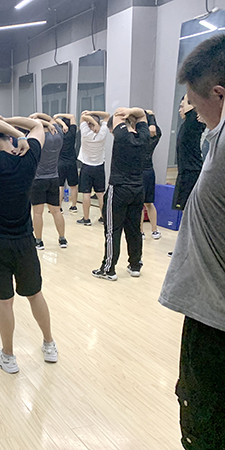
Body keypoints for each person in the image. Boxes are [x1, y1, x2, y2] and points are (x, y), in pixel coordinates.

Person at [159, 34, 225, 450]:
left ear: (219, 95)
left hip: (216, 328)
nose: (193, 113)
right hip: (208, 315)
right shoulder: (214, 137)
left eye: (196, 105)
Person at [0, 113, 58, 373]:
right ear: (11, 139)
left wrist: (2, 123)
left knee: (5, 302)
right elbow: (37, 125)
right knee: (35, 295)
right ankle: (49, 344)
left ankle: (9, 357)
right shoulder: (28, 158)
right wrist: (20, 133)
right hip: (24, 241)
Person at [93, 107, 149, 281]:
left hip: (119, 189)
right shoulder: (144, 136)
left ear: (114, 129)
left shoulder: (122, 136)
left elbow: (117, 117)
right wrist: (131, 111)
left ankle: (108, 269)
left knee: (112, 230)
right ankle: (135, 265)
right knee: (134, 230)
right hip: (138, 189)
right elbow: (142, 115)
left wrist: (122, 112)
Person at [28, 113, 67, 250]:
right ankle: (62, 239)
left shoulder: (37, 138)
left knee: (37, 213)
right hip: (54, 178)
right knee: (56, 211)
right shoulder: (58, 134)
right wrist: (40, 116)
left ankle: (39, 241)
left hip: (38, 180)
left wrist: (35, 119)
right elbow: (51, 119)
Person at [77, 111, 110, 226]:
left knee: (86, 194)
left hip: (86, 167)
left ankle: (86, 219)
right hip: (99, 167)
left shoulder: (85, 133)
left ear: (88, 124)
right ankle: (104, 218)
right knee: (100, 194)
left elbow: (83, 116)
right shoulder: (102, 133)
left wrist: (90, 117)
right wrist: (95, 118)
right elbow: (107, 115)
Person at [173, 94, 205, 211]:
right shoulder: (187, 124)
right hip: (185, 172)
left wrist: (190, 89)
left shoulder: (193, 121)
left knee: (189, 210)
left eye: (182, 106)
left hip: (191, 173)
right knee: (184, 210)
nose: (180, 110)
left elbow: (192, 96)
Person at [140, 110, 162, 240]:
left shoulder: (150, 137)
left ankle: (154, 229)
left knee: (148, 203)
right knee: (140, 204)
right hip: (140, 172)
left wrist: (151, 117)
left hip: (147, 172)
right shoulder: (138, 136)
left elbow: (156, 131)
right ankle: (140, 231)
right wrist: (151, 116)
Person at [54, 113, 79, 213]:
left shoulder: (58, 133)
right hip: (71, 162)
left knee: (60, 186)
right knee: (73, 186)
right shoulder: (72, 132)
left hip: (60, 162)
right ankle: (74, 206)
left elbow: (54, 119)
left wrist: (62, 124)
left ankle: (59, 207)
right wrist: (61, 117)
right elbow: (72, 116)